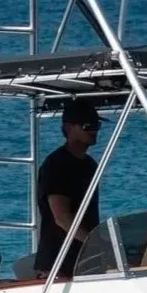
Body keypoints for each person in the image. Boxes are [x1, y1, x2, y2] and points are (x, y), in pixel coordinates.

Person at [35, 100, 102, 278]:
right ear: (69, 128)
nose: (94, 131)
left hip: (84, 259)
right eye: (88, 126)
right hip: (58, 263)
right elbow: (62, 217)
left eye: (97, 125)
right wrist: (94, 243)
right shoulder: (56, 165)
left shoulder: (90, 165)